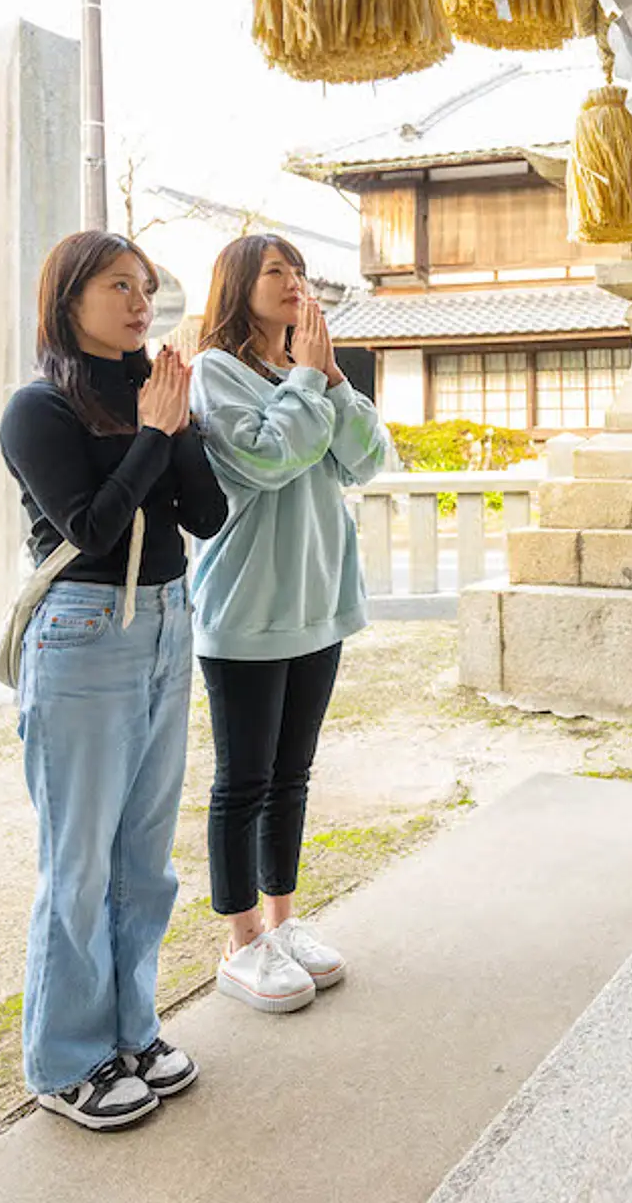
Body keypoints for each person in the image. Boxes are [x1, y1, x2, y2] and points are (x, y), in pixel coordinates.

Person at [0, 230, 229, 1130]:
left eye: (146, 286)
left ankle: (132, 1032)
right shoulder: (37, 410)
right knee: (81, 861)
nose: (140, 302)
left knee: (143, 858)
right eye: (118, 286)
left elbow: (204, 515)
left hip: (170, 623)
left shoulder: (154, 392)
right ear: (69, 301)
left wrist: (181, 429)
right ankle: (65, 1061)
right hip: (86, 634)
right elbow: (90, 530)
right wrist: (155, 433)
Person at [188, 233, 394, 1015]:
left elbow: (366, 460)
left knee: (291, 776)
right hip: (247, 608)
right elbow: (268, 459)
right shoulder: (217, 372)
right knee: (242, 781)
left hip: (316, 605)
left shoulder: (304, 375)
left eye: (300, 271)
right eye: (276, 271)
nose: (294, 282)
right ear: (237, 286)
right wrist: (310, 378)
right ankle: (241, 943)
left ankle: (281, 920)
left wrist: (330, 379)